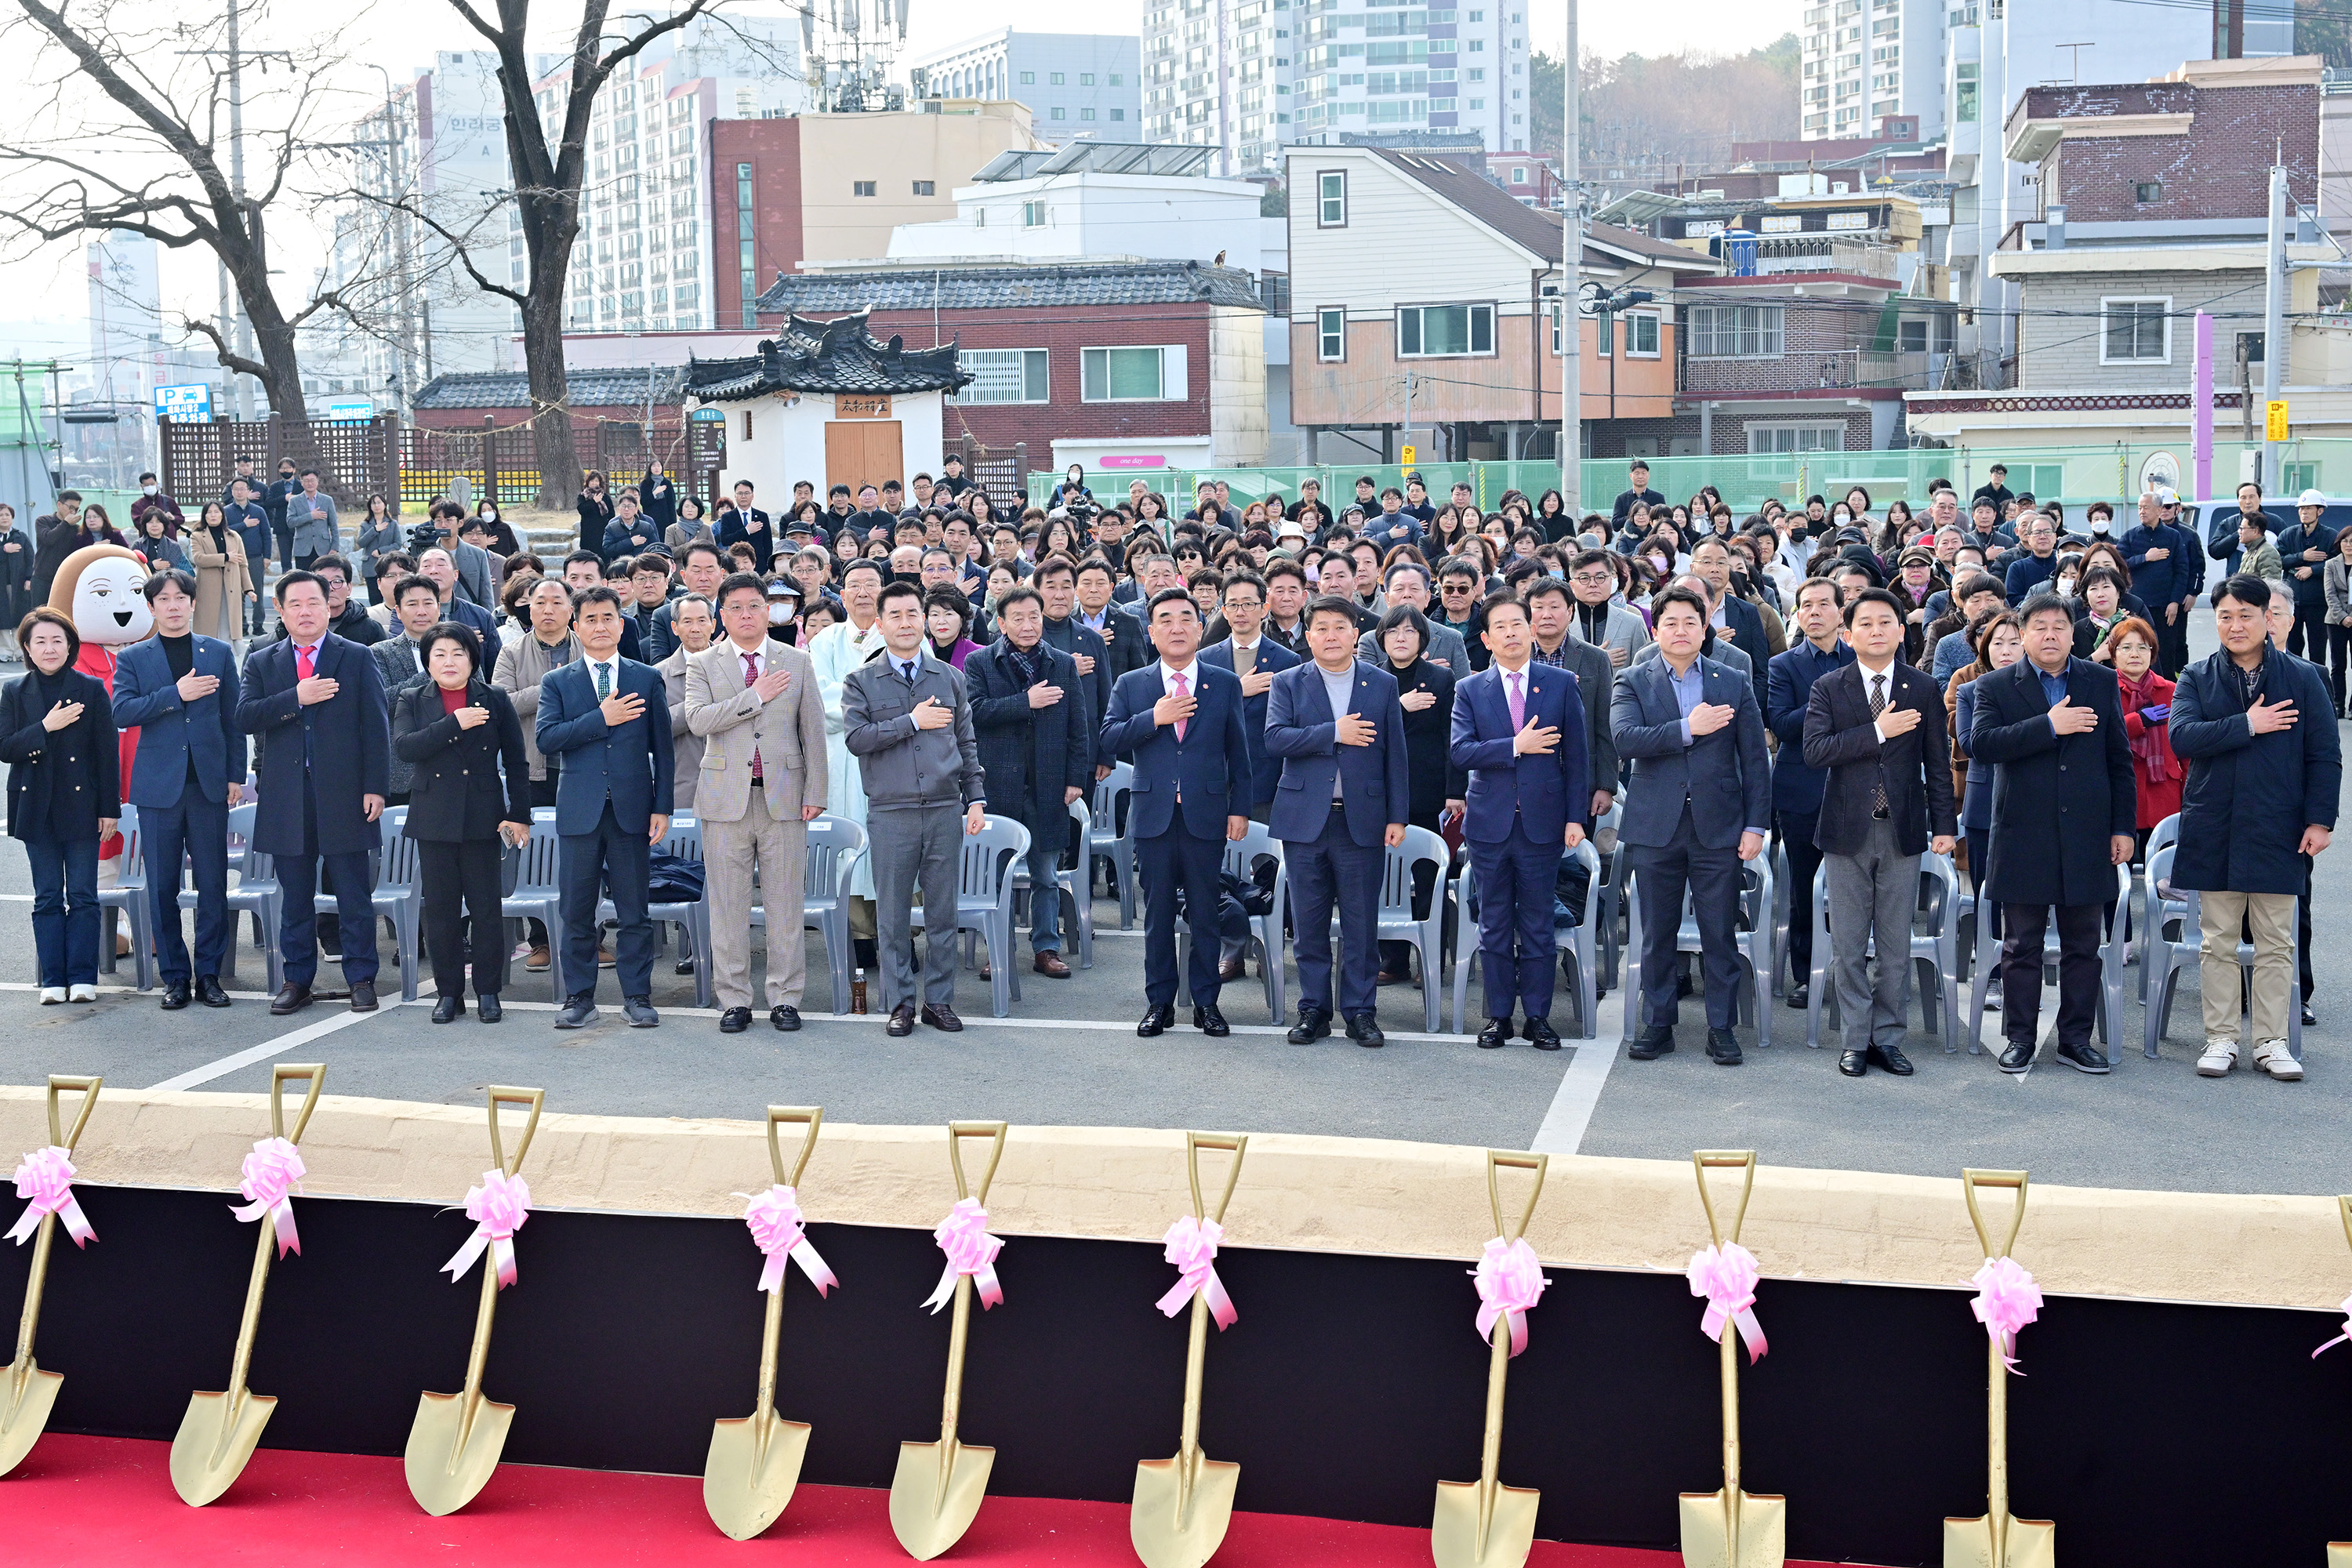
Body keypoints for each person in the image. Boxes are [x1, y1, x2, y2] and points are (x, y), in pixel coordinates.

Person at [2169, 575, 2341, 1082]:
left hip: (2279, 825)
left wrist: (2320, 820)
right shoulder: (2196, 677)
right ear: (2215, 621)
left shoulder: (2305, 678)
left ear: (2270, 619)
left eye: (2246, 615)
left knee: (2275, 942)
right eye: (2225, 615)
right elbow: (2182, 738)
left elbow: (2325, 755)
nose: (2235, 625)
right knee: (2218, 939)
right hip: (2214, 822)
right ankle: (2221, 1037)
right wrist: (2247, 723)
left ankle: (2271, 1041)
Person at [1968, 593, 2136, 1075]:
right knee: (2021, 945)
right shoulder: (1996, 685)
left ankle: (2075, 1039)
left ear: (2073, 632)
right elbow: (1982, 745)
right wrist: (2048, 725)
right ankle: (2019, 1037)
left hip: (2087, 833)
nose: (2049, 635)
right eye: (2039, 626)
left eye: (2059, 626)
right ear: (2022, 635)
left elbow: (2119, 761)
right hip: (2023, 834)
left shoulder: (2100, 681)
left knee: (2085, 942)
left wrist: (2123, 827)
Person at [1802, 588, 1956, 1078]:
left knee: (1894, 945)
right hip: (1846, 833)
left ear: (1900, 630)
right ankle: (1854, 1039)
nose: (1876, 630)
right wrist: (1879, 731)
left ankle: (1887, 1038)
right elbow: (1816, 751)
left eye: (1885, 622)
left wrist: (1945, 827)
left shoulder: (1923, 688)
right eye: (1865, 623)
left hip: (1902, 831)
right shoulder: (1830, 686)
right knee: (1849, 943)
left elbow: (1937, 761)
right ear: (1848, 634)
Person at [1613, 585, 1769, 1065]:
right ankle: (1658, 1023)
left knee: (1717, 931)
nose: (1681, 632)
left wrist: (1755, 827)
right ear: (1654, 629)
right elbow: (1625, 740)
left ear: (1706, 629)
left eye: (1691, 623)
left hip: (1719, 827)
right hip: (1655, 826)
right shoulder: (1632, 681)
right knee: (1657, 931)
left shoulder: (1731, 680)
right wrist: (1688, 728)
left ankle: (1721, 1027)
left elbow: (1755, 761)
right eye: (1671, 623)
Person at [237, 570, 391, 1015]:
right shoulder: (263, 661)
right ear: (280, 611)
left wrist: (375, 787)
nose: (305, 612)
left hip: (345, 794)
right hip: (286, 796)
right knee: (296, 896)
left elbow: (375, 728)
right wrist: (296, 697)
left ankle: (362, 978)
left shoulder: (357, 656)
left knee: (353, 894)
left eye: (313, 603)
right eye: (295, 605)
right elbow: (245, 716)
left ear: (330, 607)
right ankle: (296, 979)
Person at [1102, 586, 1253, 1037]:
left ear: (1200, 625)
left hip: (1206, 815)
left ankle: (1207, 1003)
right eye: (1165, 619)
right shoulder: (1134, 684)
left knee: (1207, 913)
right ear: (1151, 632)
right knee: (1158, 915)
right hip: (1154, 817)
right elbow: (1109, 739)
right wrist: (1155, 717)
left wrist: (1239, 808)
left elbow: (1238, 753)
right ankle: (1160, 1002)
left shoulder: (1223, 682)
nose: (1176, 627)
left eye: (1186, 618)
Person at [1262, 594, 1411, 1047]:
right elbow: (1275, 739)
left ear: (1355, 634)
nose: (1331, 635)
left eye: (1340, 627)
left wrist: (1398, 816)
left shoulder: (1381, 684)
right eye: (1321, 627)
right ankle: (1313, 1010)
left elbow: (1396, 757)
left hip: (1362, 820)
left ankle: (1361, 1011)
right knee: (1308, 923)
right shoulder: (1289, 681)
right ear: (1309, 636)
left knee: (1361, 923)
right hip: (1305, 819)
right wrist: (1334, 733)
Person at [842, 580, 988, 1036]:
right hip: (891, 812)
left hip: (945, 807)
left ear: (923, 621)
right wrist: (910, 722)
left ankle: (939, 1001)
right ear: (880, 624)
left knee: (944, 912)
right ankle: (901, 1002)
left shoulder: (950, 677)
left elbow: (965, 742)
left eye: (913, 615)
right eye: (896, 616)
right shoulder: (861, 681)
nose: (906, 624)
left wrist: (976, 796)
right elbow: (856, 740)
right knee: (892, 914)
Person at [1448, 593, 1591, 1051]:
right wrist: (1515, 745)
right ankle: (1497, 1017)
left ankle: (1538, 1017)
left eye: (1518, 623)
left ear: (1532, 629)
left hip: (1543, 824)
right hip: (1489, 825)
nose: (1512, 633)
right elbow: (1460, 751)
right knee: (1492, 924)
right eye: (1501, 627)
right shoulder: (1470, 689)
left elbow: (1579, 759)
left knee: (1537, 924)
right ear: (1486, 638)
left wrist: (1575, 818)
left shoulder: (1560, 682)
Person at [687, 574, 828, 1032]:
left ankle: (785, 997)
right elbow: (698, 720)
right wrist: (755, 696)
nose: (746, 615)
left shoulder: (797, 661)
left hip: (785, 799)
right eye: (735, 608)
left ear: (770, 610)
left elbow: (813, 733)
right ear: (721, 615)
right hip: (725, 800)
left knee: (785, 902)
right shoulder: (704, 663)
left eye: (754, 606)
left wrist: (816, 793)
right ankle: (735, 999)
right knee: (728, 904)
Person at [535, 584, 673, 1029]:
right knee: (576, 909)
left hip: (633, 808)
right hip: (579, 809)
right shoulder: (558, 681)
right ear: (576, 626)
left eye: (608, 618)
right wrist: (601, 718)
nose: (600, 626)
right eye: (590, 619)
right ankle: (579, 996)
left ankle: (637, 995)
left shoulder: (645, 677)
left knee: (635, 910)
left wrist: (662, 806)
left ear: (621, 623)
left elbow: (663, 751)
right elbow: (547, 739)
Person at [110, 571, 245, 1010]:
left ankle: (209, 974)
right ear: (151, 608)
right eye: (163, 599)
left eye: (180, 598)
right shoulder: (134, 658)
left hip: (208, 786)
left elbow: (233, 720)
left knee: (212, 883)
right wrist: (176, 693)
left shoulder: (219, 652)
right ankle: (174, 976)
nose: (172, 605)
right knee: (162, 886)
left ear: (192, 603)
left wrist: (234, 776)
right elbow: (122, 712)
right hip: (156, 789)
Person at [391, 622, 532, 1023]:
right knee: (441, 910)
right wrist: (455, 724)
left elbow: (517, 761)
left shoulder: (495, 697)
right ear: (428, 661)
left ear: (472, 658)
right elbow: (405, 747)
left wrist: (518, 814)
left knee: (487, 908)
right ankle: (448, 992)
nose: (449, 661)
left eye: (458, 653)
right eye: (440, 654)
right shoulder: (412, 697)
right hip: (433, 817)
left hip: (483, 817)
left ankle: (488, 991)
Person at [964, 585, 1091, 983]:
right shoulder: (981, 662)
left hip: (1049, 783)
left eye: (1034, 616)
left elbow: (1078, 727)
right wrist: (1025, 701)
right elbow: (972, 713)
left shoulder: (1062, 664)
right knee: (997, 875)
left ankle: (1046, 948)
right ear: (1000, 622)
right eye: (1017, 617)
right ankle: (998, 950)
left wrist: (1075, 780)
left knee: (1046, 874)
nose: (1027, 624)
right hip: (999, 783)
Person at [2, 607, 119, 1003]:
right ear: (27, 649)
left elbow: (107, 754)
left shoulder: (89, 688)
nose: (49, 648)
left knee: (84, 895)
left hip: (82, 807)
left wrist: (110, 809)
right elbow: (5, 748)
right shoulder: (13, 692)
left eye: (57, 640)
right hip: (35, 807)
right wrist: (45, 728)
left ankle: (83, 977)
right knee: (47, 895)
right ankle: (53, 979)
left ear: (70, 645)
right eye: (40, 642)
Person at [1766, 577, 1854, 1009]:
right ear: (1797, 614)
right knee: (1805, 887)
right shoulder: (1783, 664)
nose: (1815, 612)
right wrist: (1832, 695)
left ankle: (1851, 974)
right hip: (1802, 789)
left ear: (1842, 610)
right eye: (1806, 606)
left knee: (1856, 889)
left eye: (1824, 604)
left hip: (1857, 787)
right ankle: (1806, 974)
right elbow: (1781, 725)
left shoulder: (1864, 657)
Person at [1374, 604, 1466, 985]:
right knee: (1383, 877)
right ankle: (1391, 960)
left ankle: (1431, 961)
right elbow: (1361, 731)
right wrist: (1398, 705)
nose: (1400, 638)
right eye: (1393, 631)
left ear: (1422, 639)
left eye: (1409, 632)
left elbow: (1453, 740)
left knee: (1430, 877)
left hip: (1429, 792)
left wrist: (1454, 791)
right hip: (1380, 792)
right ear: (1382, 638)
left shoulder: (1442, 680)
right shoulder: (1371, 679)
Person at [1200, 570, 1300, 829]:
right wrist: (1237, 691)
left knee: (1265, 863)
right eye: (1233, 605)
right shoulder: (1205, 659)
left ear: (1264, 608)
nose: (1240, 612)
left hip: (1264, 778)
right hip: (1214, 777)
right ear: (1223, 610)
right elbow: (1197, 715)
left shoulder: (1287, 661)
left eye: (1248, 604)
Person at [2106, 617, 2180, 845]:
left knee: (2164, 868)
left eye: (2142, 647)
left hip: (2164, 790)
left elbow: (2185, 746)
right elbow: (2102, 737)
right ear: (2114, 654)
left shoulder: (2172, 690)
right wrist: (2138, 721)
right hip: (2120, 791)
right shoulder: (2103, 688)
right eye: (2126, 648)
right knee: (2118, 867)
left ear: (2152, 652)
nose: (2135, 654)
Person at [655, 592, 716, 812]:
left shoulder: (735, 668)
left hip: (730, 789)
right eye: (687, 622)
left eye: (702, 621)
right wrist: (697, 703)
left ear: (714, 624)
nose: (695, 628)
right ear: (675, 627)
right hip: (681, 789)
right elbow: (656, 728)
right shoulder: (657, 676)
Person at [2275, 488, 2338, 661]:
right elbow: (2277, 560)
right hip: (2292, 600)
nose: (2304, 512)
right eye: (2301, 509)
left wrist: (2312, 570)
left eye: (2308, 508)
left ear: (2320, 511)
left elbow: (2337, 562)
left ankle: (2318, 686)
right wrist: (2302, 556)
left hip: (2318, 602)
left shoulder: (2331, 536)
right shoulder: (2288, 535)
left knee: (2318, 650)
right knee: (2292, 649)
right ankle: (2294, 686)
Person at [186, 500, 256, 647]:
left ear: (222, 515)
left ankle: (228, 650)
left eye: (216, 512)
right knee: (210, 623)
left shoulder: (234, 536)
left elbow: (243, 564)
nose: (213, 515)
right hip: (208, 587)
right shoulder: (197, 536)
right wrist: (225, 557)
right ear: (204, 516)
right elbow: (198, 559)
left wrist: (248, 589)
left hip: (231, 585)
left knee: (228, 621)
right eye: (209, 512)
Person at [284, 470, 339, 571]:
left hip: (323, 548)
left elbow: (334, 526)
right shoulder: (294, 501)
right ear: (301, 483)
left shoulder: (327, 500)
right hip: (302, 548)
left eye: (312, 480)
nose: (310, 483)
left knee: (323, 580)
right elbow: (290, 522)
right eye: (306, 481)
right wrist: (310, 516)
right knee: (304, 579)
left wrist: (334, 548)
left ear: (317, 481)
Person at [1612, 461, 1665, 530]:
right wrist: (1634, 516)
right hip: (1628, 538)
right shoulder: (1621, 499)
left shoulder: (1659, 498)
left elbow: (1664, 521)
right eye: (1637, 473)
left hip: (1651, 537)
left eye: (1643, 473)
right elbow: (1615, 525)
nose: (1640, 476)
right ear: (1631, 476)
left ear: (1648, 475)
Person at [577, 471, 615, 554]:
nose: (594, 483)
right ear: (588, 482)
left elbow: (611, 513)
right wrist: (594, 502)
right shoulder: (582, 496)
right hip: (588, 531)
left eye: (596, 481)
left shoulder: (605, 496)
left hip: (602, 530)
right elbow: (582, 510)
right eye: (592, 481)